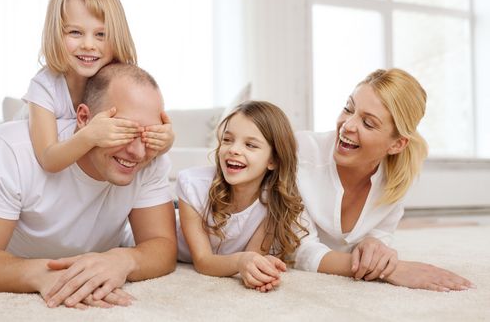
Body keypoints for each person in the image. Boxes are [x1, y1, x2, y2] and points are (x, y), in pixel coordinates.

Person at [0, 63, 177, 309]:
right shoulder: (9, 149)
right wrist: (39, 273)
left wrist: (124, 260)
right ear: (83, 118)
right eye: (123, 131)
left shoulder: (150, 159)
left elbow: (162, 245)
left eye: (149, 136)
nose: (137, 151)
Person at [294, 68, 474, 292]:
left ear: (397, 144)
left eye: (368, 123)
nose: (348, 125)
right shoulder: (300, 155)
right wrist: (389, 270)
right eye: (348, 109)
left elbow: (381, 233)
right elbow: (298, 250)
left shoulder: (396, 176)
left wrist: (373, 243)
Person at [24, 0, 173, 173]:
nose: (88, 44)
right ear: (56, 35)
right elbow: (48, 159)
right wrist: (90, 135)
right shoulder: (45, 86)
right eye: (75, 32)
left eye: (101, 34)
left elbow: (141, 136)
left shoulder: (119, 83)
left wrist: (166, 141)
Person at [177, 101, 308, 292]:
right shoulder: (192, 185)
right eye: (228, 140)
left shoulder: (273, 201)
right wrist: (242, 261)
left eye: (250, 145)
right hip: (161, 243)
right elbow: (203, 262)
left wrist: (259, 267)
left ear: (273, 160)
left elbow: (250, 257)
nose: (234, 149)